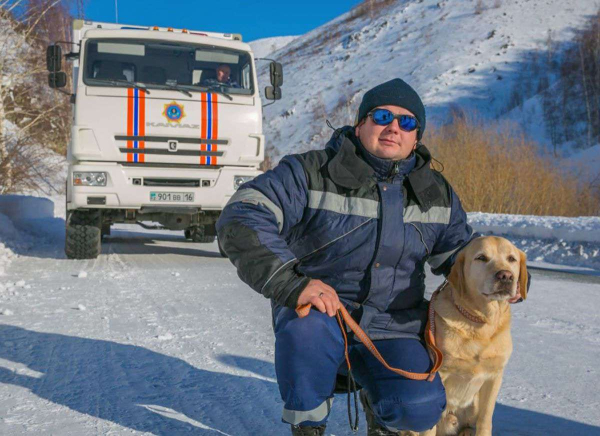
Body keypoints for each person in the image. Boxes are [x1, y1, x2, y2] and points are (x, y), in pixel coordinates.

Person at [216, 78, 475, 436]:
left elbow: (463, 260)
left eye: (407, 122)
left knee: (418, 408)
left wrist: (505, 274)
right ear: (360, 124)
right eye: (382, 116)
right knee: (304, 332)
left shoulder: (437, 193)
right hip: (322, 315)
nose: (393, 128)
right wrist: (292, 284)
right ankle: (309, 425)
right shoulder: (309, 172)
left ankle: (380, 407)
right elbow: (242, 214)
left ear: (418, 137)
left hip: (393, 326)